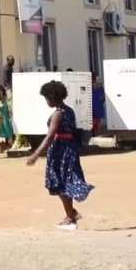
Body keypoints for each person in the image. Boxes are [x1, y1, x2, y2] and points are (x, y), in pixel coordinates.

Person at [26, 80, 95, 230]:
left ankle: (71, 217)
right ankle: (71, 214)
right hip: (69, 149)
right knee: (64, 183)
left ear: (52, 96)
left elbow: (50, 136)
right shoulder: (69, 110)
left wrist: (35, 154)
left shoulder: (58, 114)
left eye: (46, 98)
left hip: (61, 151)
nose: (46, 101)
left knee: (60, 183)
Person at [0, 85, 14, 156]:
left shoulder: (6, 99)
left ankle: (7, 146)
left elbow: (9, 108)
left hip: (5, 118)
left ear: (3, 92)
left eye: (0, 92)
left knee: (7, 132)